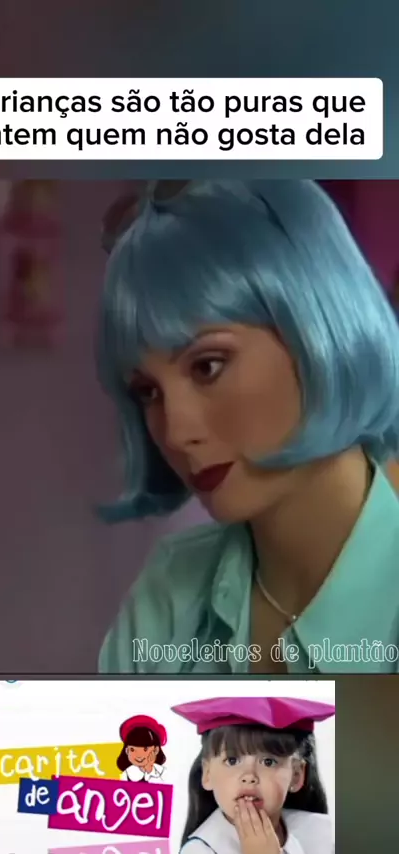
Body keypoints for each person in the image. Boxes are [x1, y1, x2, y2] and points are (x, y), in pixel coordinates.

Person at [96, 179, 399, 675]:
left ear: (318, 332)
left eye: (208, 366)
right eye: (148, 392)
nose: (175, 433)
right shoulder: (169, 593)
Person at [171, 695, 335, 854]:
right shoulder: (199, 850)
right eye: (232, 760)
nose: (249, 776)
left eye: (268, 762)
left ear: (296, 775)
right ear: (207, 774)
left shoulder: (321, 833)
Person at [116, 714, 167, 783]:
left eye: (145, 749)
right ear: (127, 751)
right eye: (132, 750)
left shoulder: (162, 772)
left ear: (156, 750)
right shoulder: (127, 773)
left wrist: (149, 769)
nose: (139, 755)